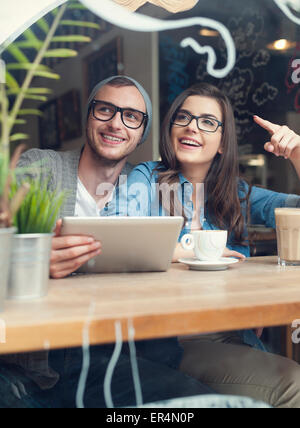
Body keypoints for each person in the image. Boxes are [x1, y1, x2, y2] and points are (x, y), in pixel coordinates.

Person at [0, 76, 213, 408]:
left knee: (196, 403)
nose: (116, 123)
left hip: (109, 363)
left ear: (142, 133)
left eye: (131, 116)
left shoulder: (149, 188)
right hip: (28, 367)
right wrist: (32, 260)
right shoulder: (39, 169)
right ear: (88, 116)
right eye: (105, 110)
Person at [107, 82, 300, 408]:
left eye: (207, 121)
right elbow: (117, 238)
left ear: (223, 142)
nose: (192, 127)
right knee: (292, 384)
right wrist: (199, 251)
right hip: (172, 340)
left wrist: (296, 154)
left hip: (234, 334)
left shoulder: (235, 193)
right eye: (183, 118)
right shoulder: (148, 177)